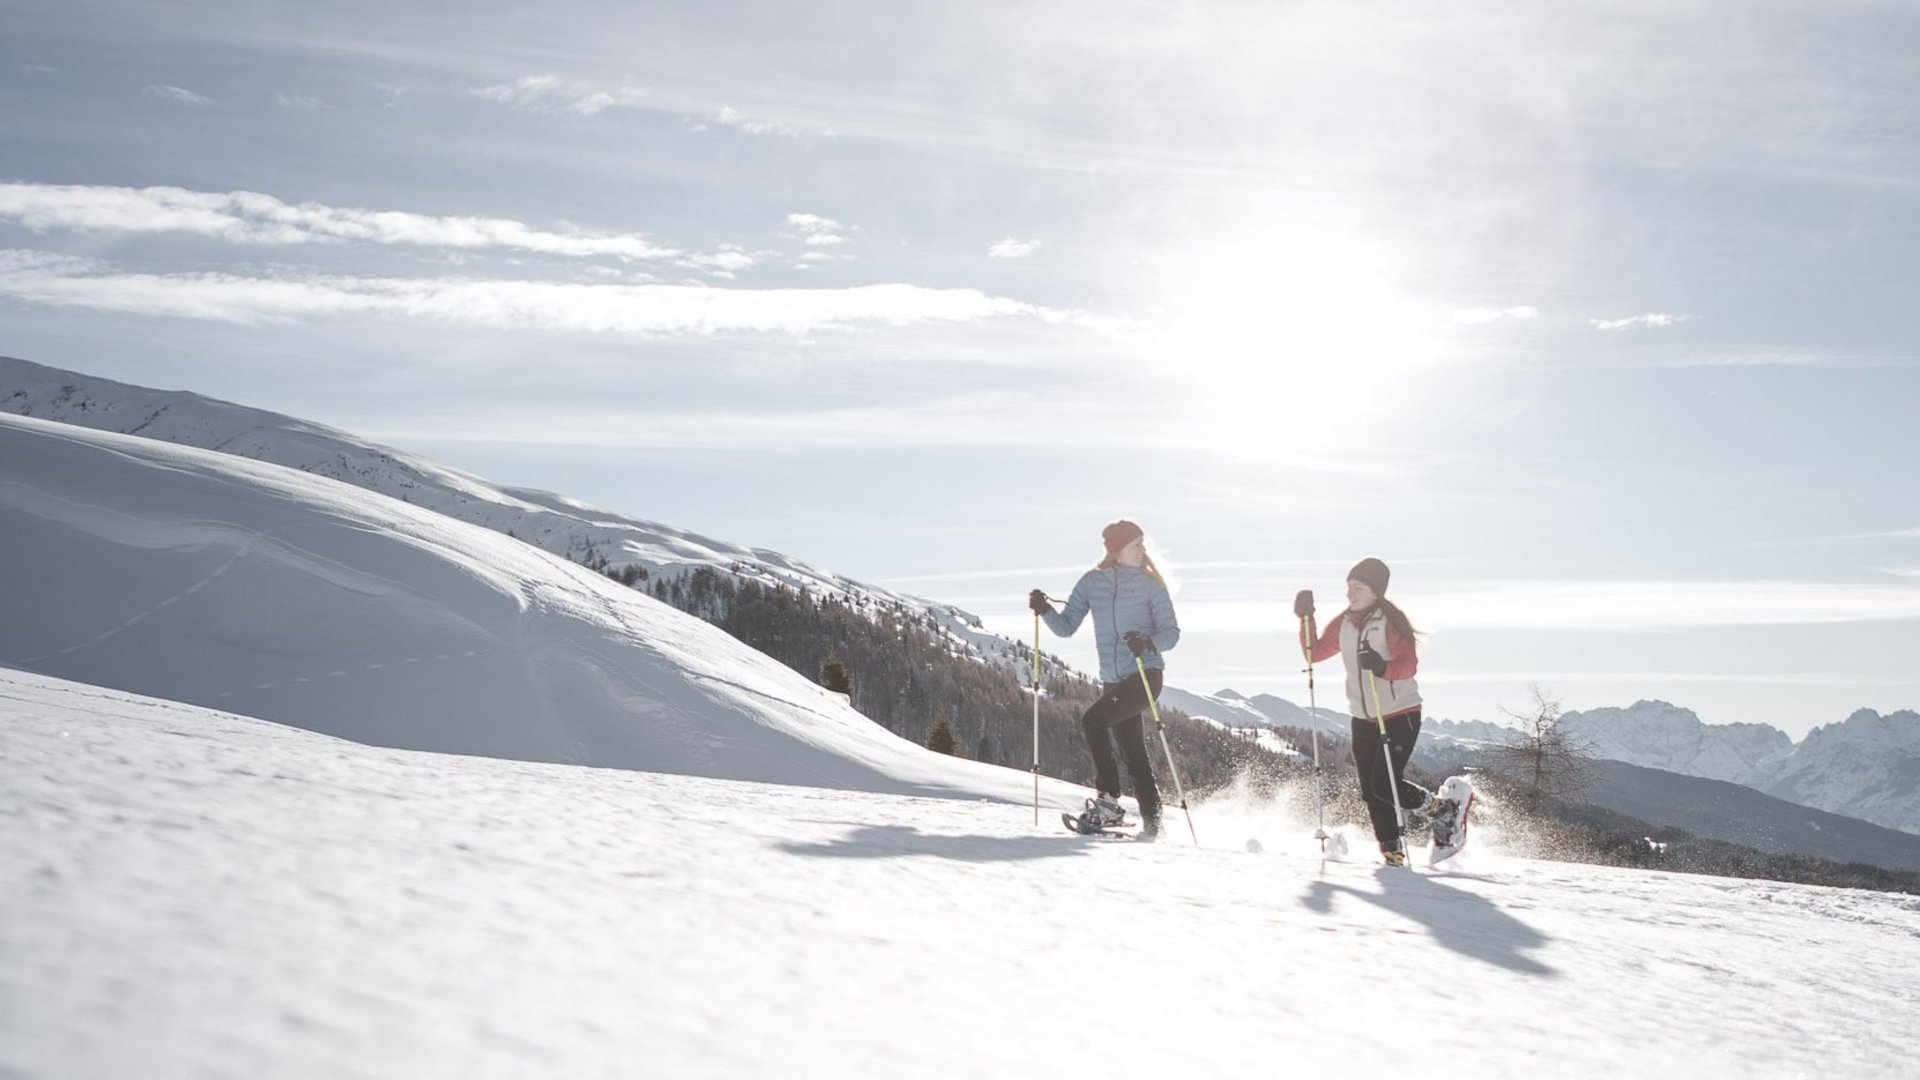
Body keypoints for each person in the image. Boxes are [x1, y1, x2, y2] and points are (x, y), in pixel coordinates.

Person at [1030, 520, 1180, 840]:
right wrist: (1044, 609)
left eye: (1142, 544)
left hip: (1145, 673)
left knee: (1093, 721)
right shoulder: (1091, 583)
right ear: (1117, 550)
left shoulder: (1150, 584)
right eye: (1135, 545)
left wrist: (1147, 640)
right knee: (1133, 752)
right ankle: (1154, 822)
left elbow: (1171, 633)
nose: (1142, 550)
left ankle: (1108, 802)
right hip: (1112, 680)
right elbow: (1067, 626)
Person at [1305, 557, 1438, 866]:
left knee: (1384, 784)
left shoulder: (1390, 620)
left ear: (1376, 591)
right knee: (1370, 790)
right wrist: (1306, 617)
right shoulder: (1345, 621)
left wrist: (1382, 666)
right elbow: (1314, 653)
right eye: (1348, 587)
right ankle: (1392, 854)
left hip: (1399, 713)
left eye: (1357, 587)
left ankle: (1440, 810)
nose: (1350, 594)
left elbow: (1409, 664)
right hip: (1363, 717)